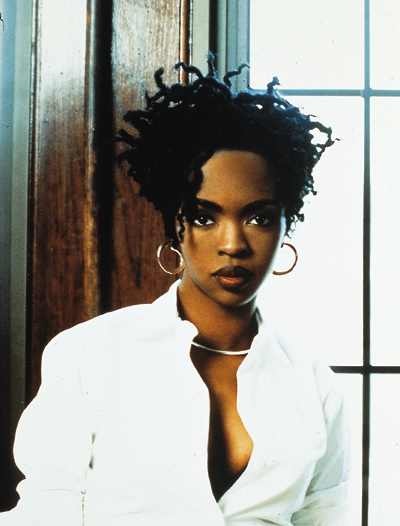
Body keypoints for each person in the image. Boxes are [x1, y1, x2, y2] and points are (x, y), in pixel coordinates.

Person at [0, 55, 349, 525]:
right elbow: (46, 512)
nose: (233, 244)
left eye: (259, 217)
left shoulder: (314, 384)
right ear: (174, 227)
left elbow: (326, 517)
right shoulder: (88, 356)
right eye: (204, 217)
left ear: (286, 224)